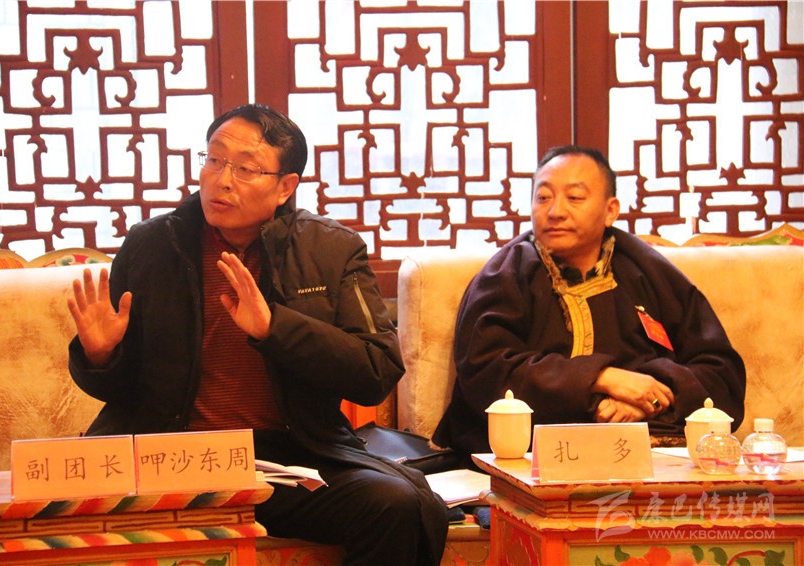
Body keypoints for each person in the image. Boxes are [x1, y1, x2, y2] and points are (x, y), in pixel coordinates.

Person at [67, 103, 448, 565]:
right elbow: (121, 391)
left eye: (245, 169)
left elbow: (376, 369)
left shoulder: (331, 248)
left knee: (396, 504)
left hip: (287, 457)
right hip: (169, 456)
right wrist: (100, 356)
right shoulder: (152, 245)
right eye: (214, 159)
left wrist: (275, 329)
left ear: (286, 186)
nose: (221, 180)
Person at [432, 145, 746, 459]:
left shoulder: (650, 274)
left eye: (575, 197)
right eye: (543, 197)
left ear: (610, 210)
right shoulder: (506, 276)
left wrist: (647, 399)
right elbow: (487, 371)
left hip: (647, 450)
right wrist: (601, 379)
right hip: (534, 455)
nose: (555, 211)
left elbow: (720, 373)